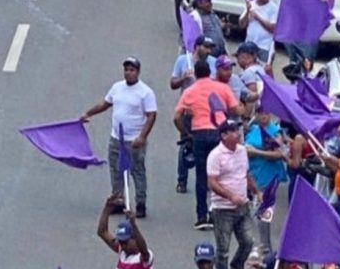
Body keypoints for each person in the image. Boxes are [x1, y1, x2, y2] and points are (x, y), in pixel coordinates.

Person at [81, 58, 157, 218]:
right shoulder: (117, 88)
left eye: (132, 70)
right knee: (116, 170)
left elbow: (151, 116)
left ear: (138, 72)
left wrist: (142, 137)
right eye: (126, 69)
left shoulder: (145, 92)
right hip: (116, 138)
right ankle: (118, 200)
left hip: (134, 140)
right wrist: (89, 113)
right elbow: (105, 103)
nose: (128, 72)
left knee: (137, 171)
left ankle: (141, 203)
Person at [174, 60, 245, 230]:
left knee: (202, 176)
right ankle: (218, 211)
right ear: (210, 72)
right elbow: (237, 110)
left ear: (196, 74)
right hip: (219, 133)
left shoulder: (190, 91)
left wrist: (186, 133)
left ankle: (201, 216)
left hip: (199, 133)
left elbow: (176, 117)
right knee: (220, 174)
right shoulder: (222, 88)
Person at [207, 118, 260, 269]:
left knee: (248, 242)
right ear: (224, 135)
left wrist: (256, 191)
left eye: (238, 130)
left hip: (242, 206)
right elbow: (212, 183)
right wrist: (230, 196)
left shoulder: (241, 151)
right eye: (233, 131)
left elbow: (245, 174)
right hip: (223, 209)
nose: (238, 134)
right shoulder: (215, 156)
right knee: (223, 248)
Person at [171, 36, 218, 194]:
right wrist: (184, 77)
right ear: (197, 46)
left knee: (207, 148)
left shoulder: (213, 63)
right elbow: (172, 83)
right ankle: (181, 180)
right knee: (185, 143)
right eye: (206, 47)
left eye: (210, 47)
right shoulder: (183, 60)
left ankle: (205, 180)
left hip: (206, 111)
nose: (209, 51)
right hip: (187, 110)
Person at [245, 111, 287, 258]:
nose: (263, 117)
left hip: (269, 175)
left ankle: (265, 246)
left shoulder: (275, 132)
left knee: (264, 212)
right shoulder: (252, 130)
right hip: (254, 174)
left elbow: (279, 154)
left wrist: (257, 152)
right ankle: (262, 244)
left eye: (266, 114)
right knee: (255, 211)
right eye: (260, 114)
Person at [98, 195, 153, 269]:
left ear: (134, 238)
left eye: (125, 242)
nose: (122, 246)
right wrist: (107, 209)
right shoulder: (122, 252)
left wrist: (134, 224)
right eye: (121, 242)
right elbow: (102, 232)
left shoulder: (143, 259)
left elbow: (144, 250)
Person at [238, 0, 277, 65]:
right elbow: (241, 24)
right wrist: (248, 11)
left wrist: (257, 17)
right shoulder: (251, 4)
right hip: (249, 44)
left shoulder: (273, 8)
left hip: (264, 47)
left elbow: (273, 28)